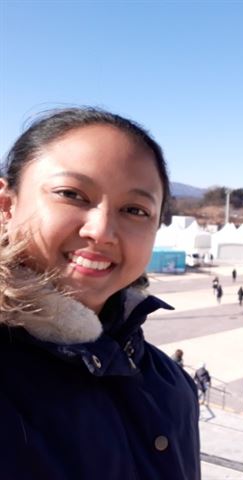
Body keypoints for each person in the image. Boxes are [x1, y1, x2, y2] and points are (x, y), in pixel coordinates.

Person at [0, 107, 200, 478]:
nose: (102, 230)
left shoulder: (169, 383)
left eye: (135, 210)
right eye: (72, 194)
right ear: (6, 206)